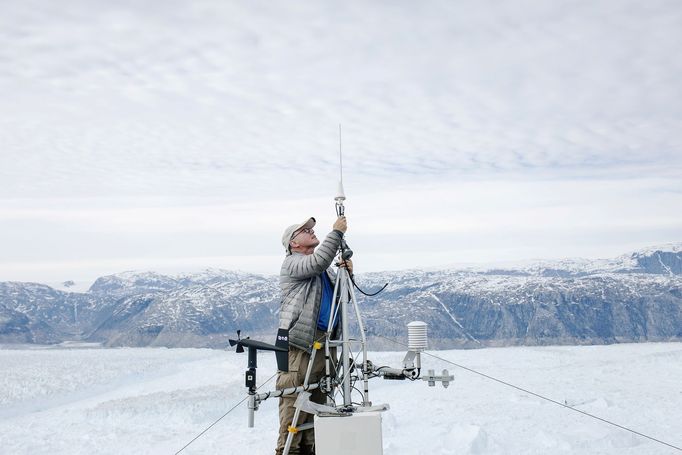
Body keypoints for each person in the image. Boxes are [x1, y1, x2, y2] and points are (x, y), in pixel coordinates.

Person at [275, 215, 352, 455]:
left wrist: (348, 275)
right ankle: (288, 450)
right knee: (294, 397)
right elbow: (317, 262)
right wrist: (336, 233)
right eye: (304, 230)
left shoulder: (325, 271)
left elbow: (344, 298)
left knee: (318, 399)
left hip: (325, 342)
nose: (310, 231)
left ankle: (311, 448)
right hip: (302, 342)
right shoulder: (292, 263)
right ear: (293, 243)